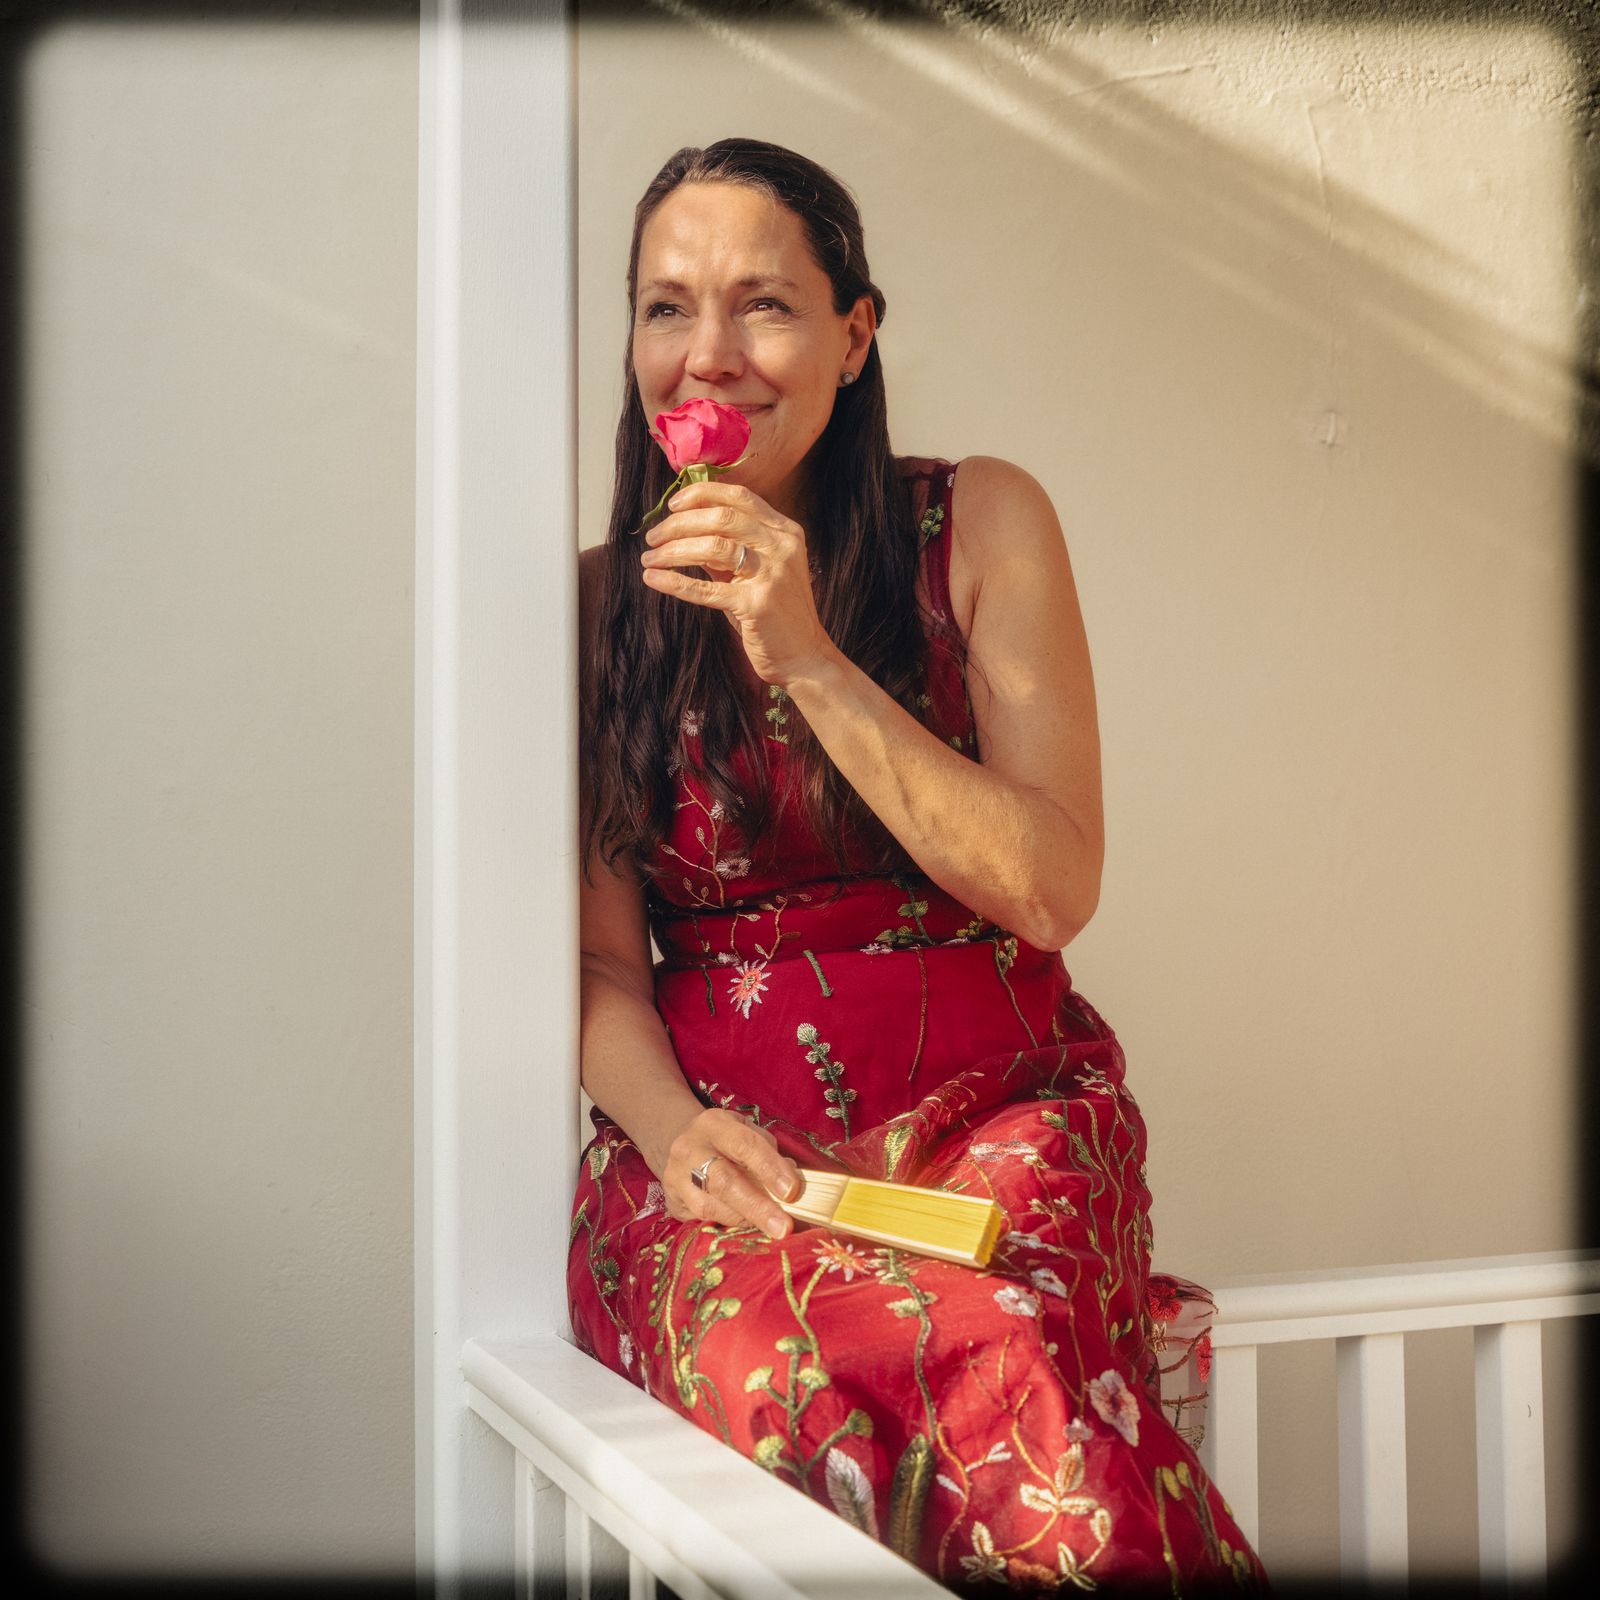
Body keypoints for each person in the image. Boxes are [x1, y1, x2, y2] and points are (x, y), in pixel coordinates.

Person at [570, 136, 1266, 1594]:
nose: (708, 354)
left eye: (765, 304)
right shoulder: (592, 612)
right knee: (784, 1375)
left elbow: (1053, 888)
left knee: (1004, 1350)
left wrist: (808, 656)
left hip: (1003, 1121)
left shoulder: (982, 524)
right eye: (665, 307)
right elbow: (599, 966)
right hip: (732, 1158)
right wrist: (672, 1134)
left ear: (854, 333)